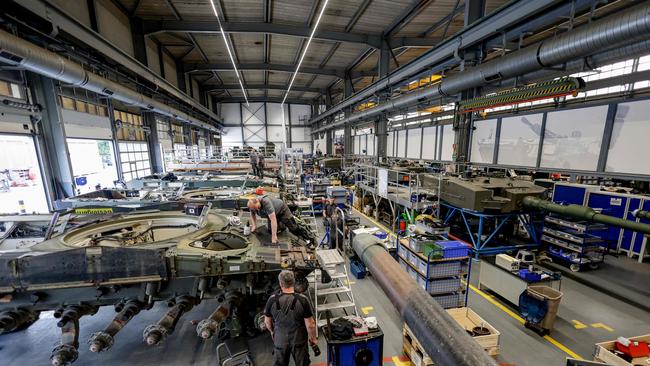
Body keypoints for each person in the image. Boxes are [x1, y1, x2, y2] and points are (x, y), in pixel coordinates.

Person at [264, 270, 317, 366]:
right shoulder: (303, 300)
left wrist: (273, 332)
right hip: (299, 340)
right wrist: (313, 338)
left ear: (280, 283)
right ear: (293, 282)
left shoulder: (271, 300)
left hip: (280, 340)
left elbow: (267, 322)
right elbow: (310, 325)